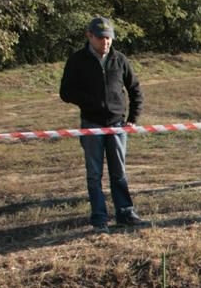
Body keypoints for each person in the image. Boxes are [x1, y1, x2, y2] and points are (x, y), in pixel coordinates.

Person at [59, 16, 148, 233]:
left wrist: (133, 118)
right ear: (90, 36)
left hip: (117, 124)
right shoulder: (77, 60)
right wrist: (89, 101)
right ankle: (99, 218)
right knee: (94, 173)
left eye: (109, 38)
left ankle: (125, 212)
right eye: (101, 38)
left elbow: (135, 89)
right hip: (91, 124)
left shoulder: (120, 59)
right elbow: (65, 92)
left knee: (119, 171)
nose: (106, 42)